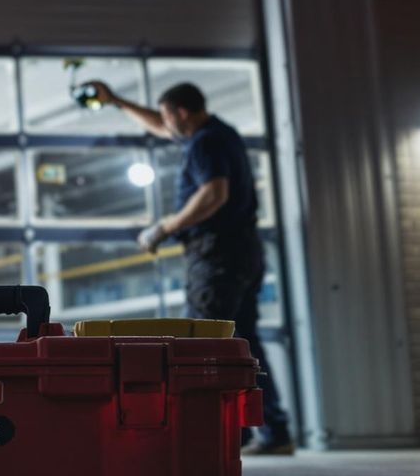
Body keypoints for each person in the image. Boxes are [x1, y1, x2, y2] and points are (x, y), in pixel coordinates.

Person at [85, 79, 295, 454]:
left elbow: (214, 193)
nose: (165, 126)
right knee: (243, 343)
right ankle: (269, 430)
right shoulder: (220, 132)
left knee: (199, 342)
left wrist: (165, 227)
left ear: (183, 112)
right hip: (243, 251)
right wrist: (116, 101)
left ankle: (215, 433)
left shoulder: (205, 142)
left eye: (168, 116)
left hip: (217, 255)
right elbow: (159, 125)